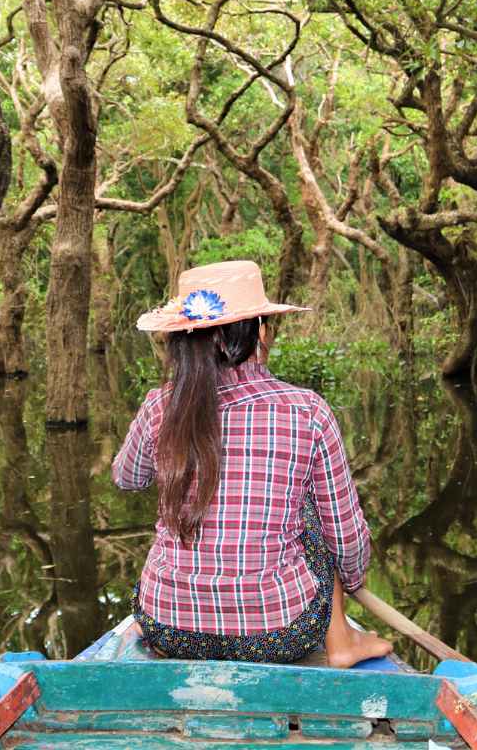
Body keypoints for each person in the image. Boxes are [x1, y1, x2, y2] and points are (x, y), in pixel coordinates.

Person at [112, 259, 392, 667]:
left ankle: (182, 603)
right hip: (276, 635)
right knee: (314, 512)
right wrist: (352, 581)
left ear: (182, 340)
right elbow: (346, 538)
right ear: (259, 331)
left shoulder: (160, 405)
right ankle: (343, 640)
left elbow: (126, 477)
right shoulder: (305, 410)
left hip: (168, 629)